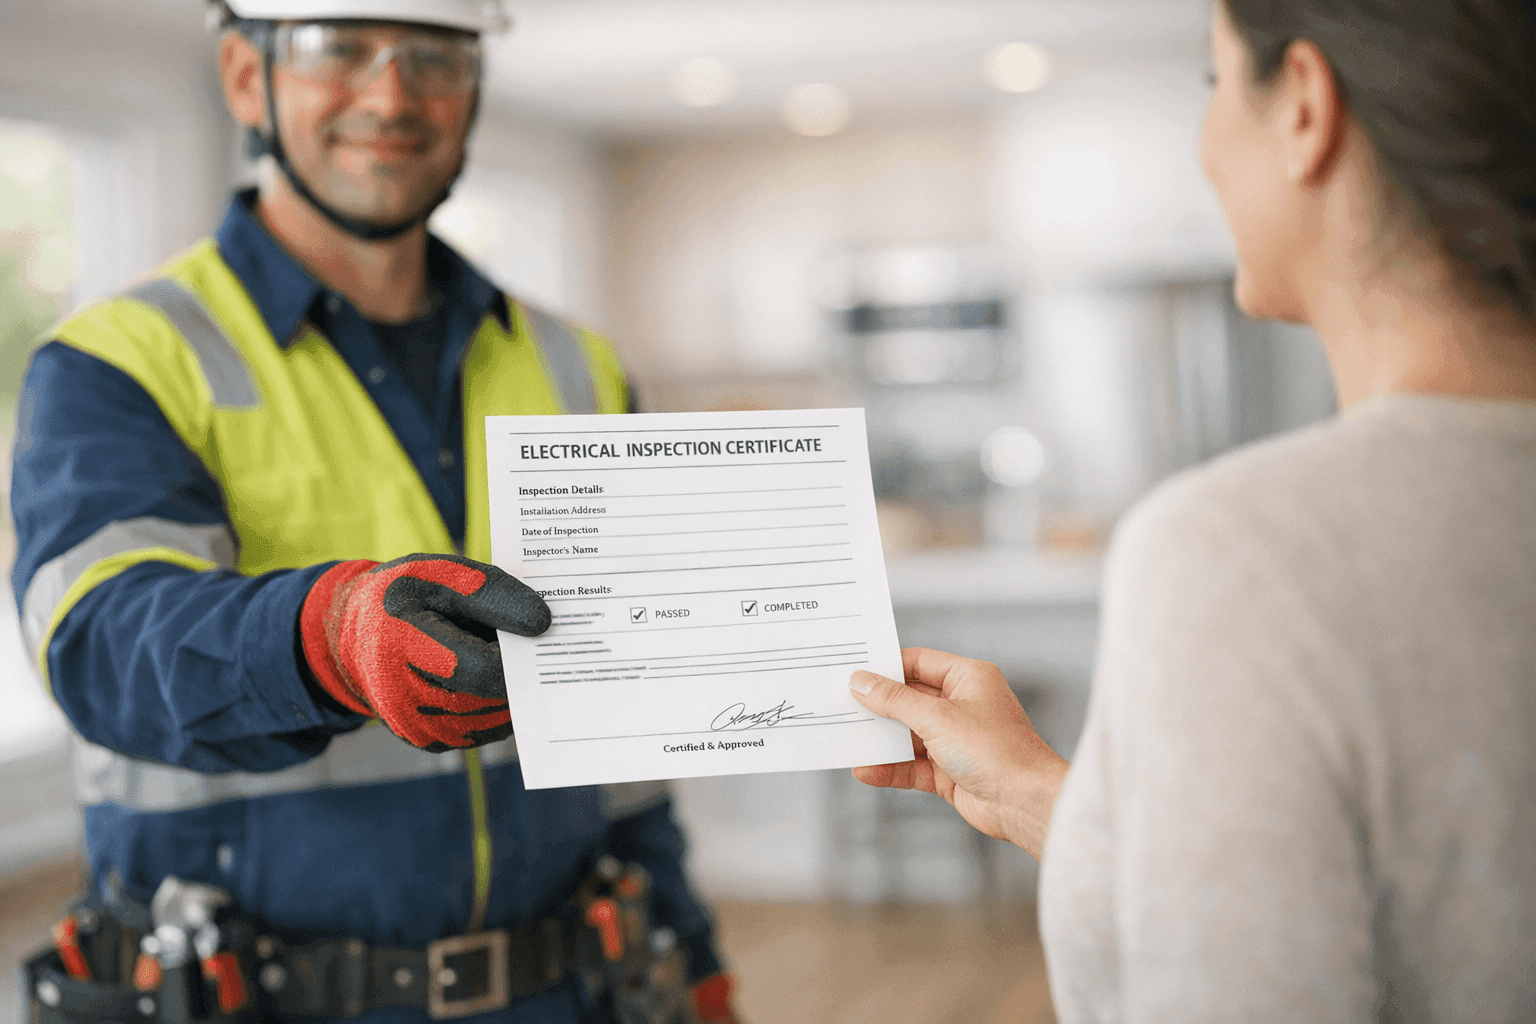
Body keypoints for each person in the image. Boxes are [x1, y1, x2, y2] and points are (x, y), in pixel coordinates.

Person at [10, 2, 739, 1022]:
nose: (392, 96)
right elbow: (101, 641)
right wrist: (328, 636)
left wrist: (692, 959)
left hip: (571, 987)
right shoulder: (120, 362)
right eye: (338, 48)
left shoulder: (582, 364)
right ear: (242, 75)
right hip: (254, 997)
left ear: (474, 88)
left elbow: (627, 745)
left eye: (433, 55)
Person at [848, 0, 1536, 1020]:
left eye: (1215, 88)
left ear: (1303, 104)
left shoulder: (1240, 549)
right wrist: (1038, 792)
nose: (1206, 145)